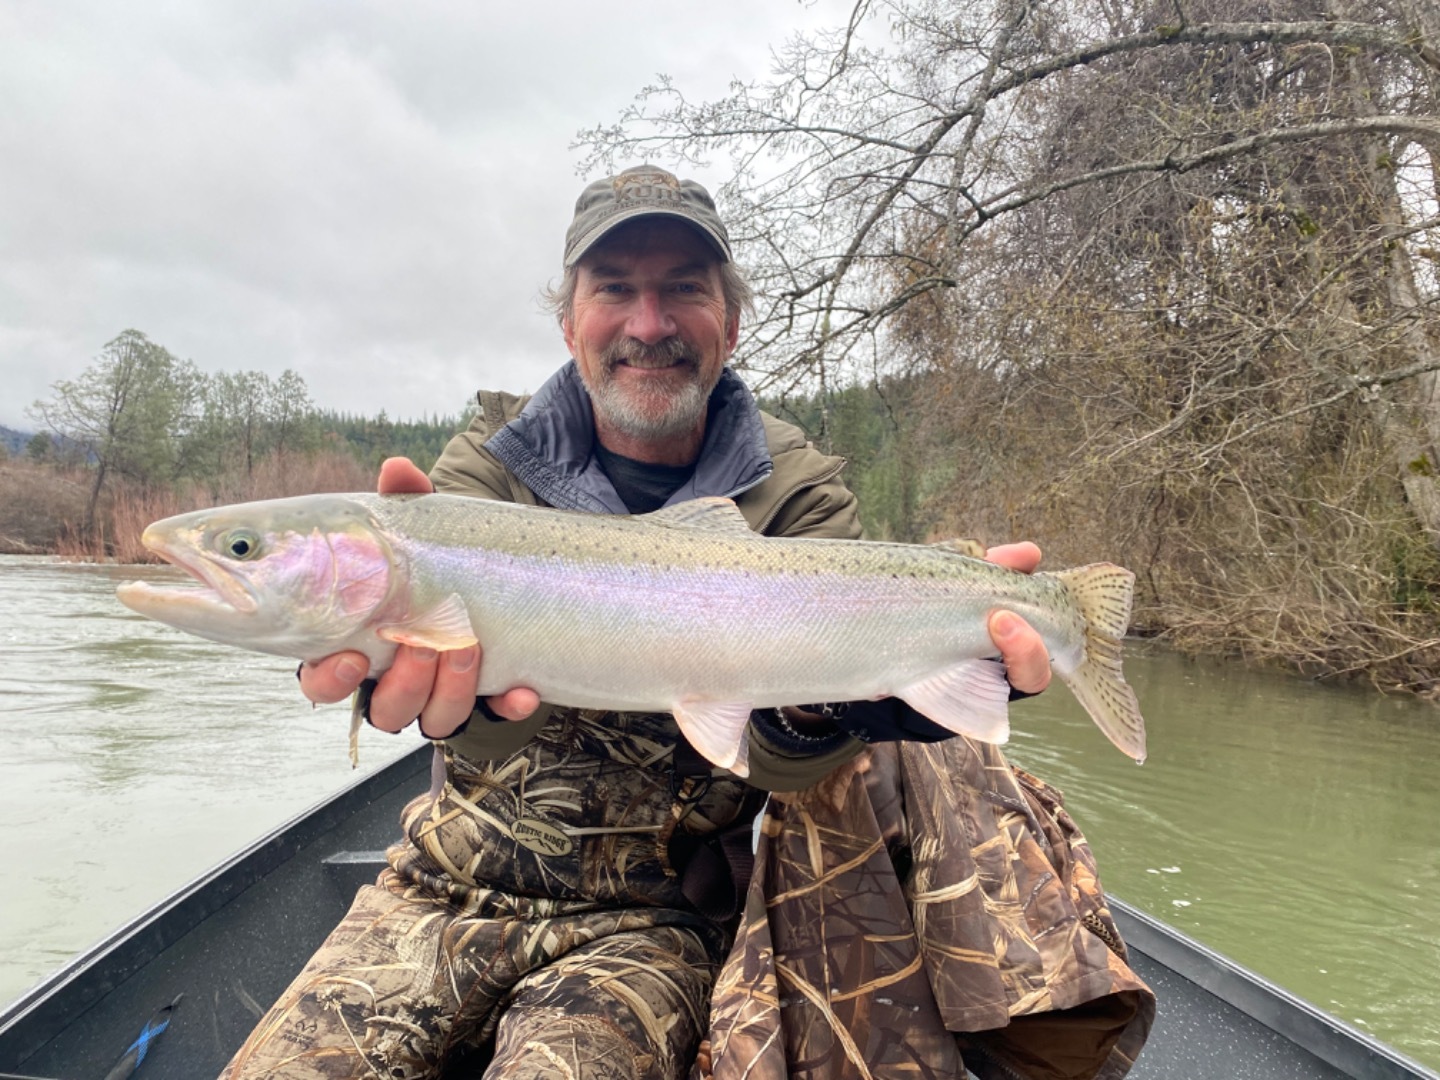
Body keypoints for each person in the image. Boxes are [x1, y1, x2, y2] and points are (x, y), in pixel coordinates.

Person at [222, 166, 1150, 1079]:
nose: (649, 322)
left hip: (659, 923)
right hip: (439, 890)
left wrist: (849, 710)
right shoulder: (476, 482)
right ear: (569, 320)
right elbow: (465, 721)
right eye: (615, 289)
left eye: (682, 291)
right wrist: (454, 706)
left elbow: (781, 765)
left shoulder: (798, 492)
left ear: (730, 320)